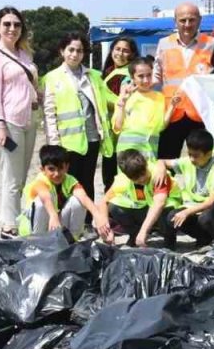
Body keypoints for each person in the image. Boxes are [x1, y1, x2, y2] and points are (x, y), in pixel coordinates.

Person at [42, 33, 114, 227]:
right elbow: (49, 113)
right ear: (62, 51)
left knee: (87, 181)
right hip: (67, 142)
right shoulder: (52, 78)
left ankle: (87, 222)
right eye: (71, 50)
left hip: (91, 139)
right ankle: (63, 222)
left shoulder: (93, 76)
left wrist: (126, 96)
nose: (75, 54)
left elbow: (108, 100)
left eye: (79, 50)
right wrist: (54, 144)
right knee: (66, 183)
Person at [0, 6, 39, 239]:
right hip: (9, 122)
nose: (12, 29)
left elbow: (30, 85)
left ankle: (17, 220)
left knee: (22, 177)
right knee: (12, 178)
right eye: (6, 24)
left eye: (16, 24)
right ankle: (8, 226)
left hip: (29, 121)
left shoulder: (25, 55)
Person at [154, 2, 214, 158]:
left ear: (200, 20)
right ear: (175, 21)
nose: (187, 25)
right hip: (171, 113)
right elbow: (156, 77)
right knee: (165, 160)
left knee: (203, 161)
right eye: (182, 20)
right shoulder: (164, 44)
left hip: (200, 113)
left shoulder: (212, 44)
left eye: (192, 20)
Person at [159, 128, 214, 246]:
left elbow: (211, 202)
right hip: (191, 208)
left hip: (209, 211)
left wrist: (187, 212)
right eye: (189, 154)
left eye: (196, 156)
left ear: (208, 153)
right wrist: (161, 168)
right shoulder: (188, 162)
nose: (192, 159)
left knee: (206, 218)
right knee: (171, 217)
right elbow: (162, 161)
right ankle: (169, 248)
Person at [17, 144, 104, 240]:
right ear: (43, 169)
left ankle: (71, 241)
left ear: (67, 167)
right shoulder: (40, 180)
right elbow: (45, 198)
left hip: (55, 224)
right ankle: (38, 244)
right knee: (40, 202)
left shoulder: (69, 180)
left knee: (78, 201)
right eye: (51, 169)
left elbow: (83, 197)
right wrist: (53, 215)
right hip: (35, 230)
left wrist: (98, 216)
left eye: (60, 168)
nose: (56, 174)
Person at [99, 149, 178, 248]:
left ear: (145, 165)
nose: (141, 179)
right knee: (114, 207)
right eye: (136, 178)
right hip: (146, 209)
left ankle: (169, 240)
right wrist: (105, 227)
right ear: (127, 176)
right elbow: (104, 201)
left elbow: (159, 203)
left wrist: (144, 231)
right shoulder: (122, 180)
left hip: (166, 213)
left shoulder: (158, 173)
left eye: (143, 173)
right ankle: (135, 235)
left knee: (166, 210)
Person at [112, 56, 167, 162]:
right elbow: (118, 126)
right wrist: (122, 104)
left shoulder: (160, 98)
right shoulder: (125, 97)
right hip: (127, 154)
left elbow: (161, 126)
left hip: (150, 151)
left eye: (149, 75)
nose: (146, 80)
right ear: (132, 78)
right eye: (141, 76)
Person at [100, 36, 137, 190]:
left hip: (120, 131)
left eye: (125, 50)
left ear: (132, 54)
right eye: (117, 49)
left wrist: (100, 100)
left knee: (118, 172)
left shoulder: (126, 74)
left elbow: (126, 102)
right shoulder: (111, 71)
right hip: (110, 130)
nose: (120, 53)